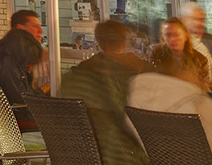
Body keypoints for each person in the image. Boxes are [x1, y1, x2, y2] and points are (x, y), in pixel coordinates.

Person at [127, 45, 212, 165]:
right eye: (201, 73)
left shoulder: (137, 104)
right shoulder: (201, 105)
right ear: (183, 71)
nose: (204, 79)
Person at [64, 19, 149, 165]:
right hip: (118, 155)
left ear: (100, 42)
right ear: (124, 43)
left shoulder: (75, 76)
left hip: (78, 154)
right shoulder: (126, 78)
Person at [0, 11, 45, 111]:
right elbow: (20, 99)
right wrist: (44, 90)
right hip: (13, 116)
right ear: (20, 28)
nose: (41, 31)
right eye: (35, 26)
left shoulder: (1, 49)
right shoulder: (8, 59)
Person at [159, 17, 212, 93]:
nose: (172, 39)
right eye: (168, 35)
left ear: (186, 36)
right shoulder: (156, 54)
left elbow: (202, 90)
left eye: (176, 35)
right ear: (163, 37)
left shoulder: (200, 60)